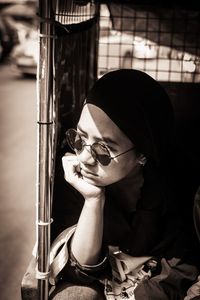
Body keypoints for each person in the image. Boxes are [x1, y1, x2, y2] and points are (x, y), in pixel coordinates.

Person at [49, 69, 200, 300]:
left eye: (104, 149)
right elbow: (79, 269)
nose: (85, 158)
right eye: (79, 138)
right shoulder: (72, 173)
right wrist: (93, 200)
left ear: (142, 155)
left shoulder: (175, 183)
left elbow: (180, 266)